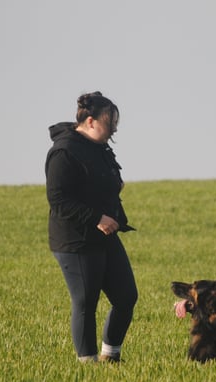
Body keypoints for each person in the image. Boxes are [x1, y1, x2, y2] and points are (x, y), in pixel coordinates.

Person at [44, 91, 138, 363]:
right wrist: (97, 217)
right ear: (90, 121)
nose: (114, 129)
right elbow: (59, 199)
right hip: (76, 241)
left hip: (104, 236)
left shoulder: (99, 147)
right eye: (109, 122)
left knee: (126, 296)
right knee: (86, 302)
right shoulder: (63, 151)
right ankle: (87, 364)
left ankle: (111, 356)